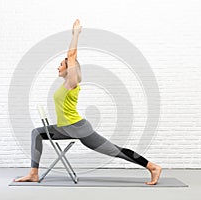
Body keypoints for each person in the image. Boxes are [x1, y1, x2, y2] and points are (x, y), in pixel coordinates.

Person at [14, 19, 162, 185]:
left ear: (70, 69)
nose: (58, 67)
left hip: (78, 129)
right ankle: (33, 173)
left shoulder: (72, 83)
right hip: (64, 128)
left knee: (114, 151)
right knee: (36, 133)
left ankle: (152, 167)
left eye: (61, 65)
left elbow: (71, 56)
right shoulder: (64, 85)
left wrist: (75, 34)